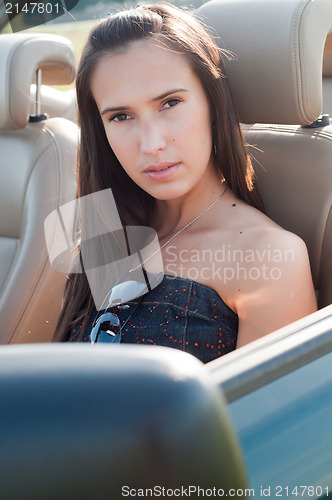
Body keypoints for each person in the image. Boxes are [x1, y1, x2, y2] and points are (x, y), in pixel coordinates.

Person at [53, 3, 317, 362]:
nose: (151, 144)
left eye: (170, 102)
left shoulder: (270, 256)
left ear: (213, 101)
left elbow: (266, 414)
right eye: (121, 116)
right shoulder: (105, 227)